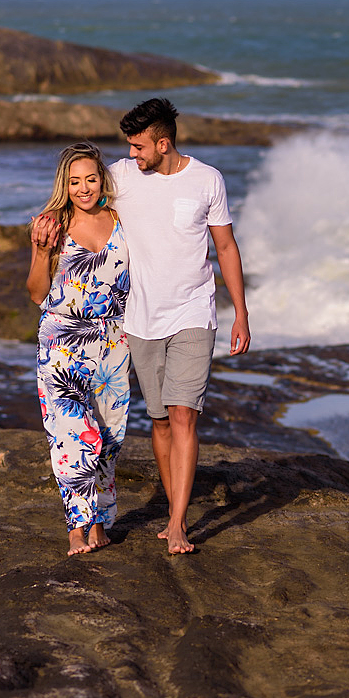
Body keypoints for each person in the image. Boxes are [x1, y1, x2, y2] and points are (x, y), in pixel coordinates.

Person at [110, 97, 251, 555]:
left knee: (184, 413)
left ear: (163, 143)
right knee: (160, 421)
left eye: (139, 146)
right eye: (130, 146)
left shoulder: (207, 180)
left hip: (193, 312)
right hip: (139, 317)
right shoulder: (121, 176)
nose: (133, 154)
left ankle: (176, 524)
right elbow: (80, 193)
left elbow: (226, 248)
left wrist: (241, 312)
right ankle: (177, 509)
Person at [27, 142, 131, 556]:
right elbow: (36, 293)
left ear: (102, 179)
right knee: (75, 434)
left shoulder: (124, 219)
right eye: (74, 181)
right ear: (64, 185)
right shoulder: (52, 225)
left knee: (110, 435)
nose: (84, 188)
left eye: (90, 179)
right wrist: (39, 250)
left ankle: (102, 519)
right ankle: (77, 525)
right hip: (62, 341)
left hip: (114, 341)